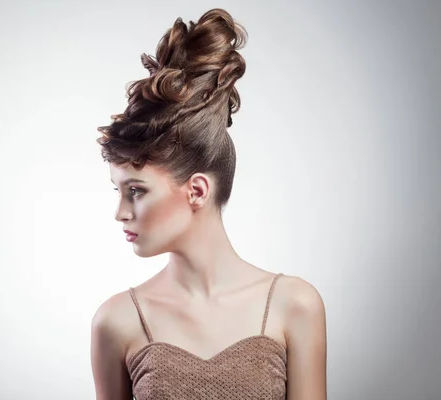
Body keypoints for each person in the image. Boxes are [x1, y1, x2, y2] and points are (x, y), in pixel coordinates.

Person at [90, 8, 327, 400]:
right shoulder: (116, 322)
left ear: (197, 191)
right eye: (118, 191)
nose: (121, 212)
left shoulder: (294, 306)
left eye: (136, 190)